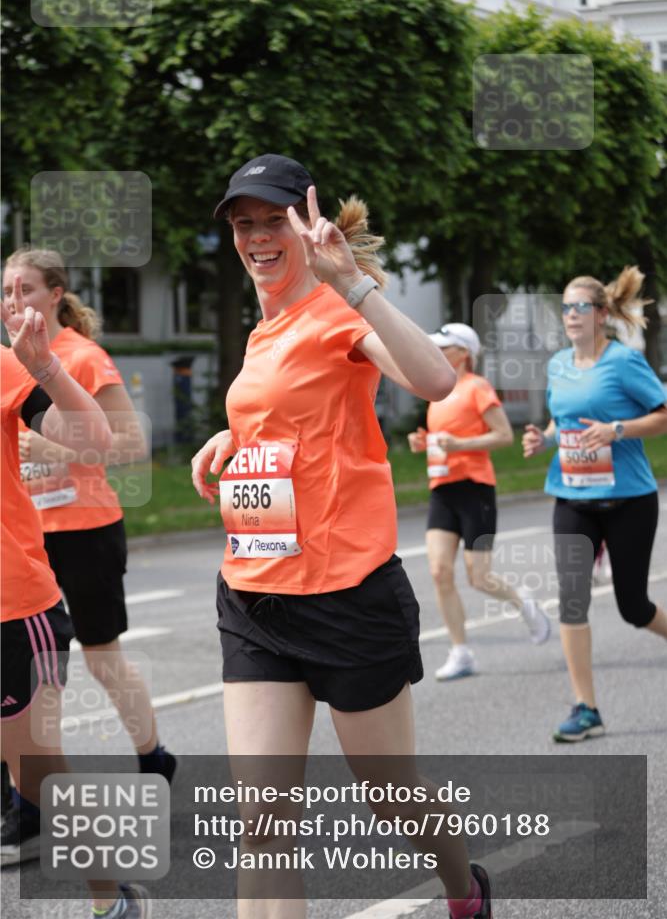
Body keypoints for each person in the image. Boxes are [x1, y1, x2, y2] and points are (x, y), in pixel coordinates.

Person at [191, 154, 493, 919]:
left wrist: (350, 280)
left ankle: (463, 888)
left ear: (304, 226)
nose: (257, 236)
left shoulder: (338, 310)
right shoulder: (265, 329)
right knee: (262, 824)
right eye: (242, 222)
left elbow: (433, 382)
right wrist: (229, 440)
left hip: (347, 593)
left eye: (272, 221)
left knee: (390, 797)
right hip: (256, 595)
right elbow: (288, 419)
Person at [1, 249, 176, 862]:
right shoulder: (7, 365)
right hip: (29, 537)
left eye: (26, 287)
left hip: (85, 529)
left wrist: (56, 454)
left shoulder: (77, 356)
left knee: (102, 659)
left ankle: (153, 755)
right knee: (26, 682)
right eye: (6, 290)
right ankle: (24, 803)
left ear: (55, 294)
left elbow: (127, 442)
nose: (14, 299)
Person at [522, 267, 667, 741]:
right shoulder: (558, 364)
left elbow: (662, 414)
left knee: (633, 606)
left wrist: (617, 430)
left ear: (602, 314)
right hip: (573, 498)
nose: (570, 315)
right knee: (572, 599)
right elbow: (558, 422)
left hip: (629, 499)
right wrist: (540, 439)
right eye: (564, 307)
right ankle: (586, 708)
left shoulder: (623, 362)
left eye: (579, 307)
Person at [408, 323, 550, 681]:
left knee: (478, 576)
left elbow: (503, 435)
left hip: (475, 489)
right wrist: (424, 442)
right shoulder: (436, 393)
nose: (437, 350)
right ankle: (461, 651)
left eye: (445, 346)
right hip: (442, 489)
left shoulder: (477, 387)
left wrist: (461, 445)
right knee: (440, 572)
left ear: (464, 354)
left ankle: (523, 602)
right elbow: (443, 439)